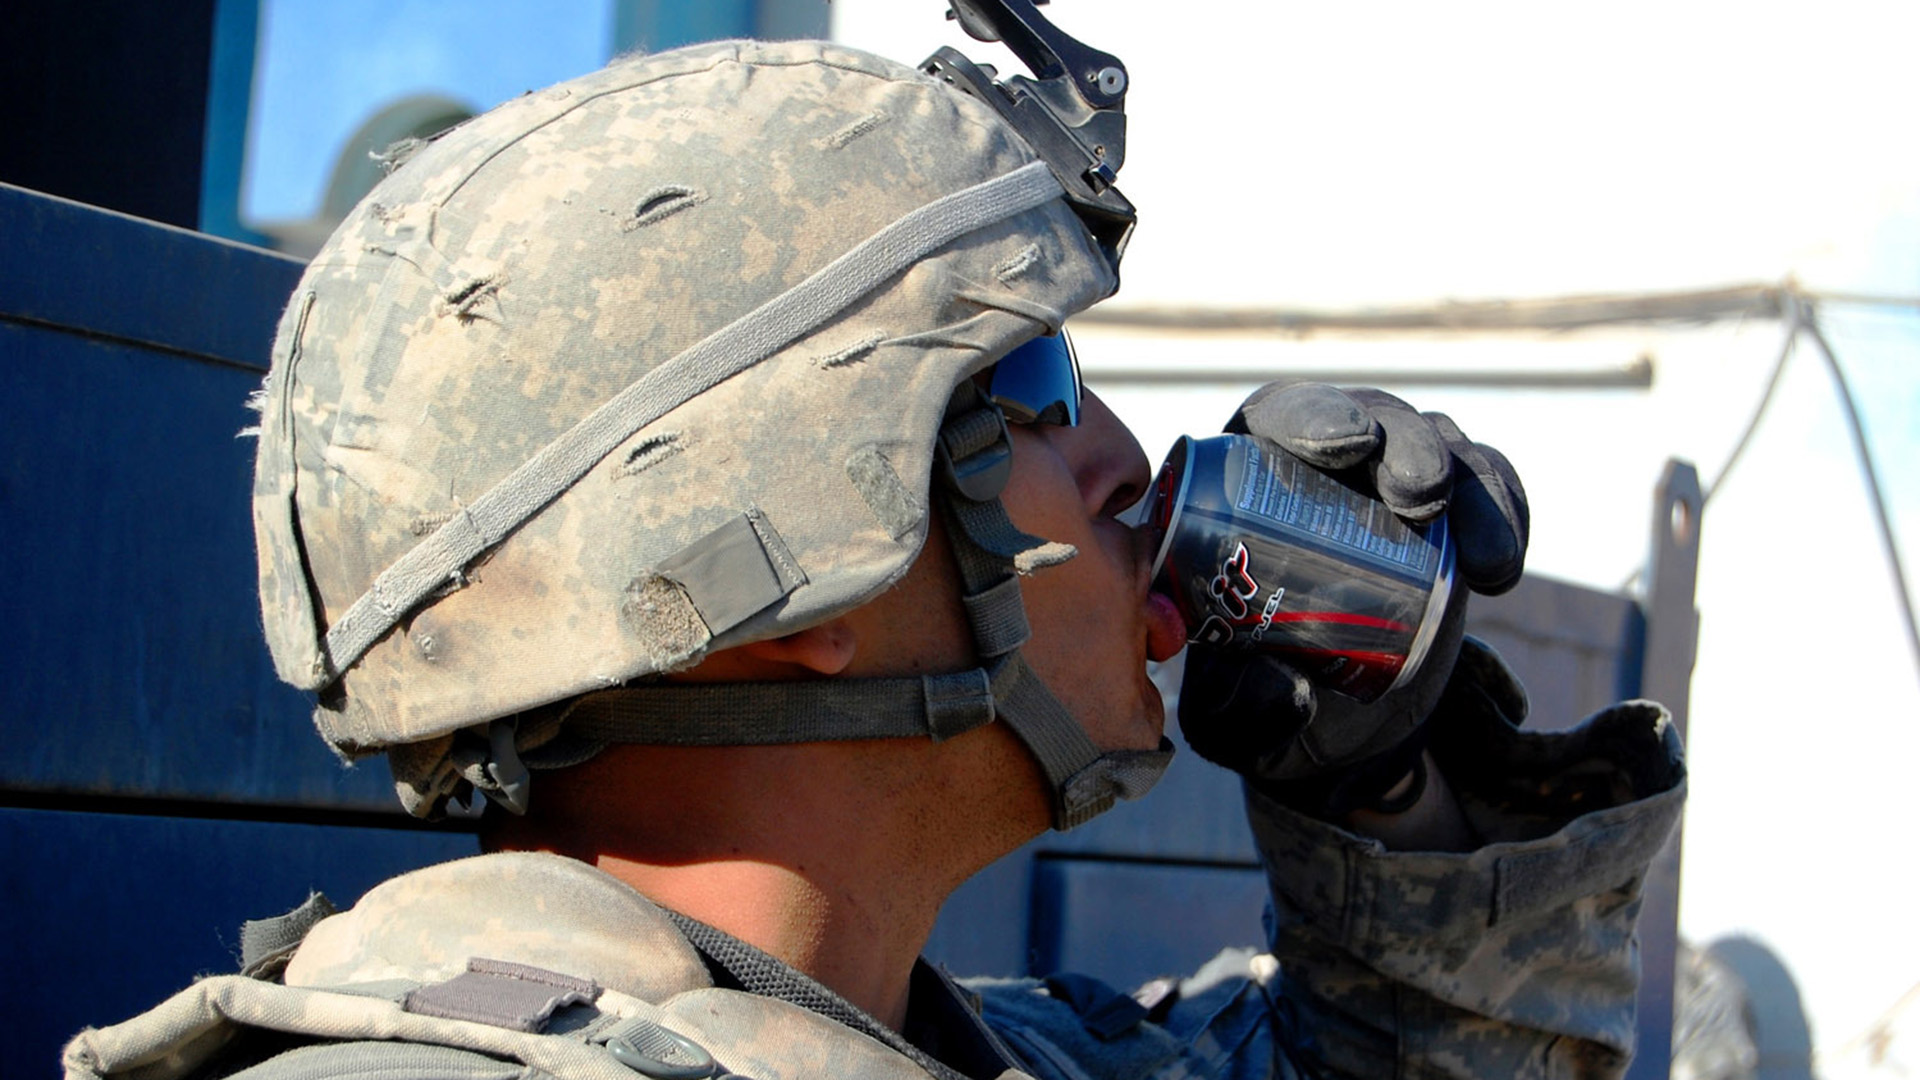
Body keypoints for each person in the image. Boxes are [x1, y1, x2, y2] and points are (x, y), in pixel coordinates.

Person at [62, 14, 1684, 1080]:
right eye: (1037, 386)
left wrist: (1392, 792)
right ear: (783, 568)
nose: (1126, 459)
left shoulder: (958, 1049)